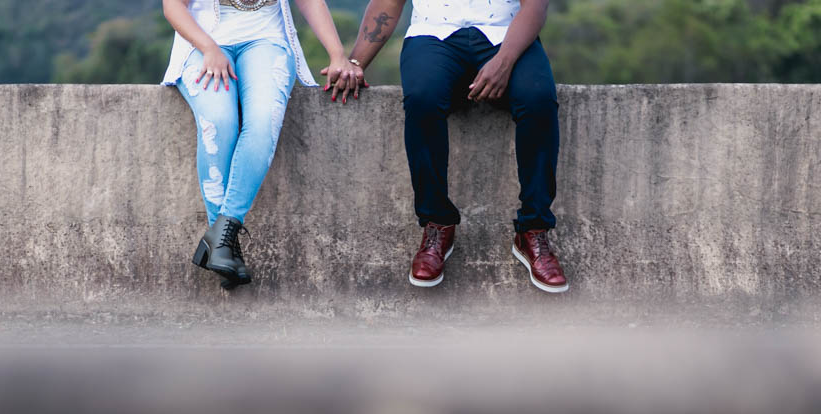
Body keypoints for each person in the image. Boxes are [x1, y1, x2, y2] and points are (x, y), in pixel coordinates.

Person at [342, 0, 568, 292]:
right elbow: (388, 3)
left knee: (538, 100)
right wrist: (355, 64)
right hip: (433, 35)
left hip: (506, 35)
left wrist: (504, 61)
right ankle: (437, 224)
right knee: (422, 98)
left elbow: (535, 6)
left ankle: (533, 230)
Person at [163, 0, 363, 289]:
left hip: (267, 40)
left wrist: (337, 55)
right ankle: (225, 247)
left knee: (263, 121)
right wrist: (209, 48)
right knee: (219, 123)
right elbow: (173, 7)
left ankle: (221, 239)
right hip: (202, 42)